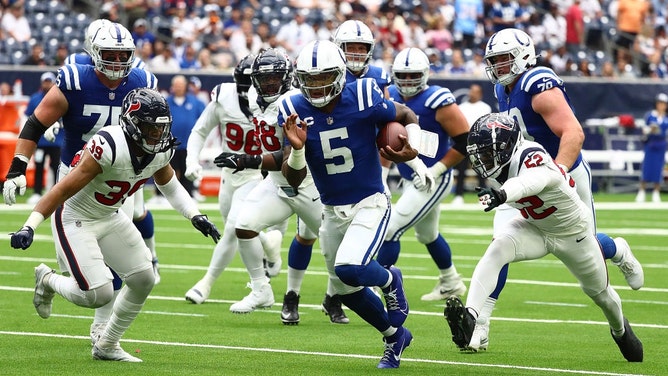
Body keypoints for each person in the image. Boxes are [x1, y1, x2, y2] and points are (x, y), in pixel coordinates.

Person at [9, 88, 220, 362]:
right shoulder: (109, 145)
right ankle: (47, 279)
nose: (158, 136)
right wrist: (30, 226)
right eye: (150, 129)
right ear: (132, 123)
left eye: (161, 129)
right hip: (76, 217)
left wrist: (195, 215)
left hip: (110, 215)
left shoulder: (159, 151)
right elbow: (62, 190)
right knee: (97, 294)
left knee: (144, 278)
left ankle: (108, 343)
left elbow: (168, 184)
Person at [466, 27, 644, 352]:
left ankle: (617, 250)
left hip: (564, 173)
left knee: (584, 243)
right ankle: (480, 325)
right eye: (494, 61)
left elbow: (573, 132)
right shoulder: (501, 89)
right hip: (519, 178)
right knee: (498, 247)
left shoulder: (537, 82)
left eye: (505, 59)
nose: (499, 66)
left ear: (523, 56)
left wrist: (558, 172)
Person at [2, 21, 160, 347]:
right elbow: (35, 123)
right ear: (94, 52)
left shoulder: (142, 79)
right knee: (84, 275)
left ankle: (103, 332)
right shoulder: (76, 78)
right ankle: (49, 281)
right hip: (75, 177)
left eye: (123, 55)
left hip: (119, 177)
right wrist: (18, 167)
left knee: (118, 263)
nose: (117, 62)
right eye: (110, 54)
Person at [281, 39, 435, 369]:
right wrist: (296, 150)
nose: (317, 86)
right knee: (346, 291)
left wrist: (414, 147)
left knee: (350, 267)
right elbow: (293, 180)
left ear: (339, 75)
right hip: (331, 210)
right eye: (310, 79)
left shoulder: (363, 94)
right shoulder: (294, 108)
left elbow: (406, 113)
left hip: (370, 201)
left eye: (324, 78)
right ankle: (395, 337)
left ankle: (391, 280)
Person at [444, 113, 643, 363]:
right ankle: (471, 317)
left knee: (601, 296)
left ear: (507, 146)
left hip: (572, 233)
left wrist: (502, 194)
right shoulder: (501, 165)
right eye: (480, 155)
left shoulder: (532, 155)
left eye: (487, 153)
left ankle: (620, 329)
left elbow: (533, 182)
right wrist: (503, 195)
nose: (483, 161)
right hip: (534, 227)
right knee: (498, 248)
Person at [217, 48, 348, 324]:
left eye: (274, 79)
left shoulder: (294, 102)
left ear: (287, 78)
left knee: (332, 248)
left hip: (308, 184)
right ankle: (261, 289)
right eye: (264, 80)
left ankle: (334, 296)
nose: (268, 85)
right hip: (277, 185)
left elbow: (288, 159)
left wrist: (246, 160)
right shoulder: (254, 99)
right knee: (244, 224)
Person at [183, 54, 284, 305]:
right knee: (238, 226)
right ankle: (268, 245)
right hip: (230, 176)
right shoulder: (224, 98)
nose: (248, 91)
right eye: (245, 84)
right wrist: (191, 160)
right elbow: (200, 130)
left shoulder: (278, 102)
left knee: (232, 228)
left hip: (257, 174)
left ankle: (206, 284)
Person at [376, 47, 469, 302]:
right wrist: (382, 175)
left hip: (434, 177)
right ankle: (451, 281)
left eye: (412, 75)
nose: (406, 82)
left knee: (390, 229)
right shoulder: (390, 94)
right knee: (428, 235)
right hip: (408, 175)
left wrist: (436, 169)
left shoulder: (438, 100)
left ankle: (378, 286)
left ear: (425, 74)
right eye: (402, 76)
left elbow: (465, 141)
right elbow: (385, 139)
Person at [150, 75, 205, 202]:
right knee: (164, 168)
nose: (179, 87)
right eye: (176, 85)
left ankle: (189, 194)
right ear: (172, 87)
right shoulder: (165, 101)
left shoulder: (195, 102)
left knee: (187, 169)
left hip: (188, 144)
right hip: (169, 143)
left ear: (185, 86)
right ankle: (160, 195)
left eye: (181, 85)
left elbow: (204, 119)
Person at [25, 72, 64, 205]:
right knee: (39, 167)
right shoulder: (35, 98)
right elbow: (28, 119)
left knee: (56, 168)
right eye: (45, 82)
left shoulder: (60, 98)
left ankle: (54, 193)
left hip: (56, 142)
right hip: (40, 141)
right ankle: (37, 192)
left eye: (49, 82)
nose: (47, 84)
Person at [452, 83, 491, 205]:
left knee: (482, 171)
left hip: (479, 142)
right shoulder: (462, 106)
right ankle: (458, 196)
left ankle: (484, 196)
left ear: (480, 94)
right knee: (461, 170)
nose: (472, 93)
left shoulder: (485, 107)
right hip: (465, 141)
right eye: (471, 90)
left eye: (475, 91)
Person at [333, 19, 392, 96]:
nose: (357, 53)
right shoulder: (332, 76)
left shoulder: (379, 75)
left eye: (361, 48)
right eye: (351, 48)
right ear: (339, 48)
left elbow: (387, 106)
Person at [636, 92, 668, 203]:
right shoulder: (650, 115)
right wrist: (651, 129)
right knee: (647, 167)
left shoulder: (666, 119)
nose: (661, 106)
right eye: (660, 103)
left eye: (664, 103)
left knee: (658, 169)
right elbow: (644, 130)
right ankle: (642, 191)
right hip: (651, 144)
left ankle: (656, 192)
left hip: (661, 145)